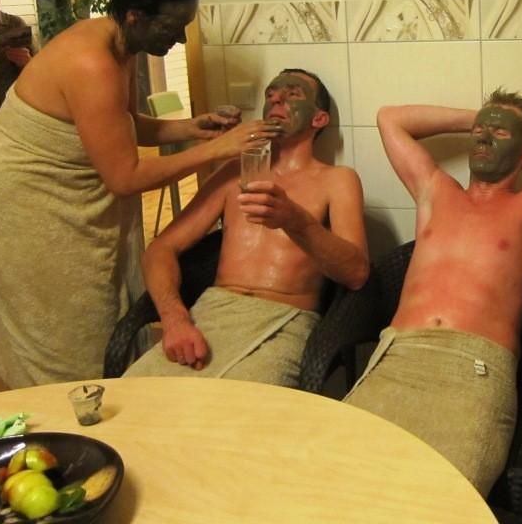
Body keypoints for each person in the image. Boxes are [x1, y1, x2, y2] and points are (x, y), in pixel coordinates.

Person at [0, 0, 279, 388]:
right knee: (64, 326)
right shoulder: (91, 63)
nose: (179, 38)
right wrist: (218, 150)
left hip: (64, 194)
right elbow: (125, 177)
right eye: (172, 26)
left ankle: (100, 398)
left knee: (99, 311)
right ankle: (65, 408)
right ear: (136, 16)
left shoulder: (121, 46)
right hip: (26, 205)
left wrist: (193, 127)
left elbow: (123, 124)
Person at [343, 90, 522, 495]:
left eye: (500, 132)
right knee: (340, 480)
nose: (484, 137)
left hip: (474, 372)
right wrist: (481, 118)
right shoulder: (435, 190)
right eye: (479, 130)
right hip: (400, 357)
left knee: (440, 498)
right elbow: (389, 118)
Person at [124, 68, 369, 386]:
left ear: (319, 119)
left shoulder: (337, 180)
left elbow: (356, 273)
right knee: (135, 395)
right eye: (271, 94)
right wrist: (175, 319)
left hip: (283, 324)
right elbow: (160, 249)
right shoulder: (234, 173)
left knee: (237, 409)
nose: (277, 99)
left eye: (293, 94)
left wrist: (294, 220)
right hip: (212, 314)